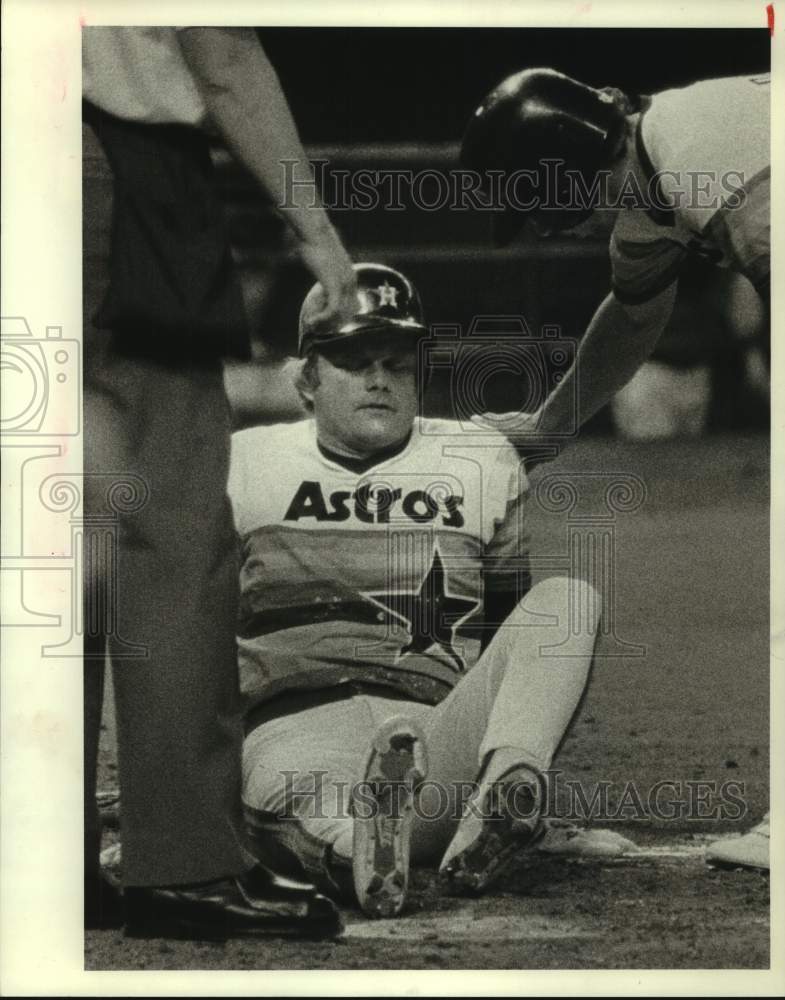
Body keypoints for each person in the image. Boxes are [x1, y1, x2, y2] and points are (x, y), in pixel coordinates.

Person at [228, 263, 613, 918]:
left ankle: (500, 797)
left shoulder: (480, 459)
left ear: (421, 373)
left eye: (397, 361)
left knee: (566, 600)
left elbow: (506, 632)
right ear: (305, 380)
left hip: (434, 738)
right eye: (354, 359)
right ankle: (368, 854)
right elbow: (187, 635)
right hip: (294, 727)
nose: (380, 378)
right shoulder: (238, 462)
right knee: (317, 808)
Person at [82, 26, 358, 938]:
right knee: (163, 530)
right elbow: (225, 58)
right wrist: (315, 233)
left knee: (46, 526)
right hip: (104, 167)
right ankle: (186, 864)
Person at [461, 67, 770, 872]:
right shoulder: (656, 180)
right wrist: (544, 432)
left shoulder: (697, 146)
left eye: (534, 204)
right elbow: (633, 318)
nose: (543, 227)